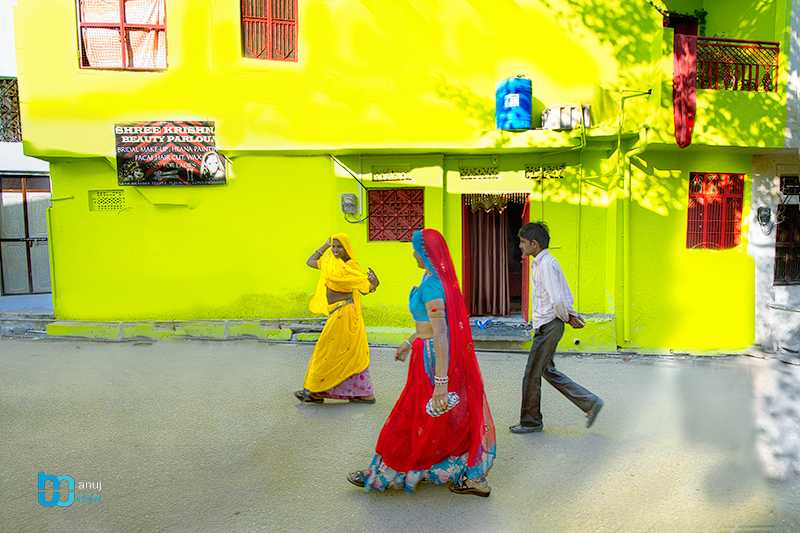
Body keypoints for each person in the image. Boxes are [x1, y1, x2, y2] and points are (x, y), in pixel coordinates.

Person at [347, 228, 496, 497]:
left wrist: (441, 383)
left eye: (415, 248)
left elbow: (441, 334)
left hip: (432, 359)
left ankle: (384, 472)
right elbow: (429, 325)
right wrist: (408, 341)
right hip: (425, 353)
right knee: (437, 418)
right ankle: (464, 473)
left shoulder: (432, 286)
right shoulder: (432, 279)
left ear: (425, 253)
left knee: (409, 416)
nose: (412, 253)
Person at [510, 222, 604, 434]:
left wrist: (567, 317)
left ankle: (530, 421)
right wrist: (567, 317)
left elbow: (558, 299)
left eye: (523, 243)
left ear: (534, 244)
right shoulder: (541, 264)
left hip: (550, 324)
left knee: (532, 374)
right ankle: (589, 403)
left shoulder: (546, 265)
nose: (520, 247)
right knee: (545, 370)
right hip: (548, 323)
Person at [295, 234, 379, 404]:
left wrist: (374, 283)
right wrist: (325, 244)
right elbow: (310, 261)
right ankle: (358, 393)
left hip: (345, 313)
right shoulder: (329, 263)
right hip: (335, 312)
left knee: (326, 350)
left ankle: (315, 390)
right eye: (334, 246)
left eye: (339, 247)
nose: (335, 250)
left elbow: (364, 288)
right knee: (340, 353)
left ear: (347, 248)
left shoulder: (351, 266)